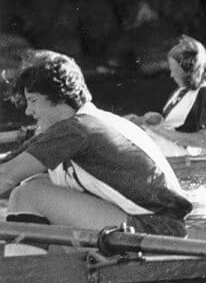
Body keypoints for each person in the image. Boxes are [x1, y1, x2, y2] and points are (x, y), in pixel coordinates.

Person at [0, 51, 192, 252]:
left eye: (33, 101)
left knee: (29, 194)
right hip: (146, 230)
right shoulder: (81, 124)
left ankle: (24, 275)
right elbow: (9, 165)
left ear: (57, 98)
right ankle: (32, 268)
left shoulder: (76, 130)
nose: (28, 111)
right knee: (37, 181)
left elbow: (5, 176)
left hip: (158, 236)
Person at [128, 35, 206, 157]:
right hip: (164, 145)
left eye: (174, 70)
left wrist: (161, 131)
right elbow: (168, 125)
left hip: (178, 154)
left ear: (189, 71)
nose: (172, 75)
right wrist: (143, 120)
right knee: (127, 122)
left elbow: (205, 140)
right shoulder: (181, 91)